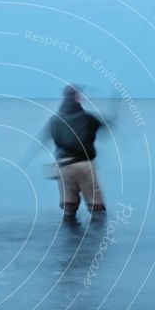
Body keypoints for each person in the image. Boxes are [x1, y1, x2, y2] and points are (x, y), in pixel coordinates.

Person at [46, 85, 107, 221]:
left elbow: (53, 139)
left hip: (63, 167)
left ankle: (68, 239)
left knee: (69, 208)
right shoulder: (88, 118)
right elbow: (104, 126)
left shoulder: (55, 119)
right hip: (84, 165)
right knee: (97, 209)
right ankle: (99, 239)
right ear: (76, 97)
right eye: (80, 94)